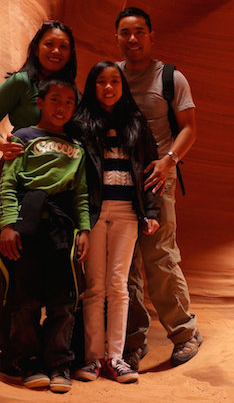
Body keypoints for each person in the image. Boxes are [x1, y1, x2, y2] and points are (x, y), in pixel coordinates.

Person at [0, 20, 78, 377]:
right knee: (14, 267)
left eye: (63, 46)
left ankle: (56, 352)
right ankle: (12, 352)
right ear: (36, 47)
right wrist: (0, 142)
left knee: (51, 268)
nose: (56, 51)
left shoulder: (66, 90)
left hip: (53, 191)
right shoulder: (20, 83)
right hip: (16, 181)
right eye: (49, 44)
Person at [114, 7, 202, 369]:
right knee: (126, 264)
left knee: (160, 257)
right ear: (116, 38)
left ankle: (184, 333)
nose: (132, 39)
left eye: (138, 32)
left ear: (152, 36)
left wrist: (169, 161)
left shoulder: (170, 78)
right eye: (124, 33)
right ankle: (134, 341)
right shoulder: (110, 76)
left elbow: (189, 128)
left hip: (156, 178)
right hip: (118, 179)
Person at [70, 61, 161, 383]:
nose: (108, 88)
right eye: (101, 82)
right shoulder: (81, 124)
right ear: (93, 87)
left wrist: (151, 213)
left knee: (118, 286)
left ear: (122, 86)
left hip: (126, 214)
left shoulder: (136, 123)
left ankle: (116, 359)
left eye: (114, 82)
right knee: (94, 287)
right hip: (93, 213)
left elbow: (150, 171)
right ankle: (93, 359)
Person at [0, 77, 90, 393]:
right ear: (40, 102)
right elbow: (8, 183)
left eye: (68, 102)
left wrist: (84, 230)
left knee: (62, 299)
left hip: (61, 228)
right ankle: (28, 361)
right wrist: (7, 225)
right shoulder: (22, 138)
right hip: (26, 222)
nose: (61, 107)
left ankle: (59, 363)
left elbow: (80, 193)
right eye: (55, 100)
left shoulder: (77, 148)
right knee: (24, 298)